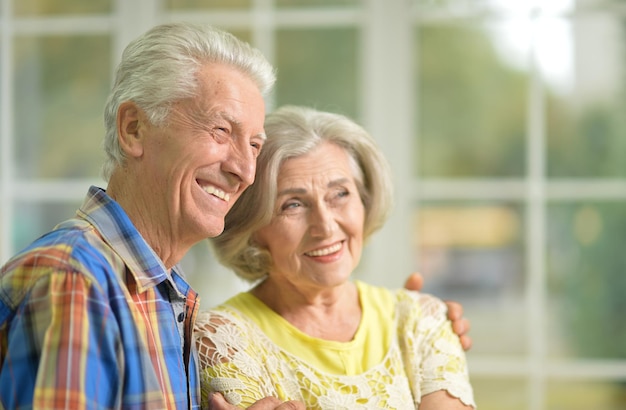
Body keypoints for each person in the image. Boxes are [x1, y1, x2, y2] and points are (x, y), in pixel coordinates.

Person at [0, 22, 280, 409]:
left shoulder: (162, 289)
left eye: (253, 145)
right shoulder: (76, 281)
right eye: (220, 130)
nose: (245, 171)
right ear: (133, 129)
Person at [195, 105, 477, 409]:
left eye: (340, 194)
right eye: (293, 205)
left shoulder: (422, 320)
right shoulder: (220, 339)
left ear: (365, 202)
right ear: (251, 228)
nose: (326, 226)